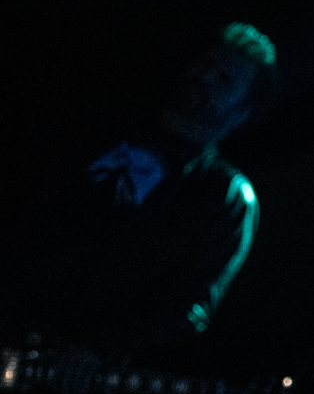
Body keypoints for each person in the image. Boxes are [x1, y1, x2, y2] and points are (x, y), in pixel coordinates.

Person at [1, 21, 276, 360]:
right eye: (206, 64)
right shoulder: (100, 130)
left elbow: (191, 305)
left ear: (242, 112)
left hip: (64, 362)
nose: (205, 77)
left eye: (224, 79)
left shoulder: (225, 195)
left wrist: (99, 349)